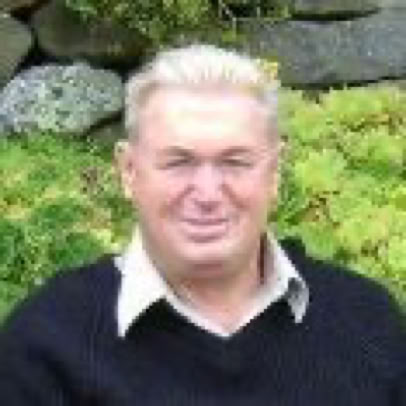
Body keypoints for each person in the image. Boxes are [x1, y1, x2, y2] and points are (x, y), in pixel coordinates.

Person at [0, 44, 404, 405]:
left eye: (235, 162)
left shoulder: (367, 323)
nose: (208, 193)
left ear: (274, 172)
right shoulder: (48, 344)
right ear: (129, 171)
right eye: (178, 162)